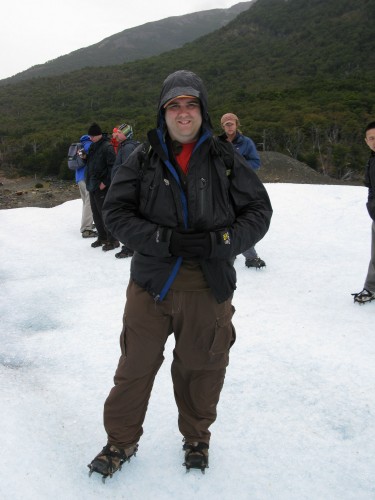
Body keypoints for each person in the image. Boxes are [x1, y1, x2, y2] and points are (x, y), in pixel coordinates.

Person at [87, 70, 272, 479]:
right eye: (175, 105)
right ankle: (120, 441)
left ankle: (196, 436)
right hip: (151, 283)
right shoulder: (142, 158)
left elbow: (259, 211)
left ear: (202, 111)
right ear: (163, 112)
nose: (183, 113)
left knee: (201, 368)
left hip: (208, 285)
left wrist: (218, 243)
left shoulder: (227, 158)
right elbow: (116, 212)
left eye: (191, 104)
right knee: (134, 367)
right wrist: (162, 238)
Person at [219, 112, 266, 269]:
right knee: (225, 221)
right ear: (223, 126)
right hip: (222, 188)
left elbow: (256, 162)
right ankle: (230, 252)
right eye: (226, 124)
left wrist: (238, 167)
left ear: (237, 124)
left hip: (242, 189)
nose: (229, 126)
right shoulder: (218, 142)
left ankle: (249, 257)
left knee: (241, 221)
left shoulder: (246, 143)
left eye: (231, 123)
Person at [85, 123, 119, 252]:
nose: (90, 138)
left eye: (92, 136)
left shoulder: (107, 147)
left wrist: (105, 182)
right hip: (92, 185)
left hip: (102, 186)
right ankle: (102, 237)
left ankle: (113, 240)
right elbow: (90, 163)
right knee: (96, 213)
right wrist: (84, 157)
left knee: (105, 213)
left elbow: (113, 166)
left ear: (98, 135)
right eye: (90, 136)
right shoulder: (94, 146)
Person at [352, 121, 375, 304]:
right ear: (366, 140)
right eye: (371, 138)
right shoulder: (372, 159)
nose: (374, 141)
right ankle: (371, 288)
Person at [111, 123, 140, 259]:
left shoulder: (128, 147)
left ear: (126, 134)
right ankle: (129, 246)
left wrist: (123, 185)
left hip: (127, 187)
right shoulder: (126, 146)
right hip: (126, 186)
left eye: (120, 132)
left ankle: (130, 248)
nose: (117, 134)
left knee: (129, 217)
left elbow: (128, 168)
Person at [76, 134, 97, 239]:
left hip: (79, 178)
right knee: (89, 203)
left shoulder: (80, 145)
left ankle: (88, 223)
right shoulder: (89, 145)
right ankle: (86, 229)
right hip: (86, 177)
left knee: (86, 203)